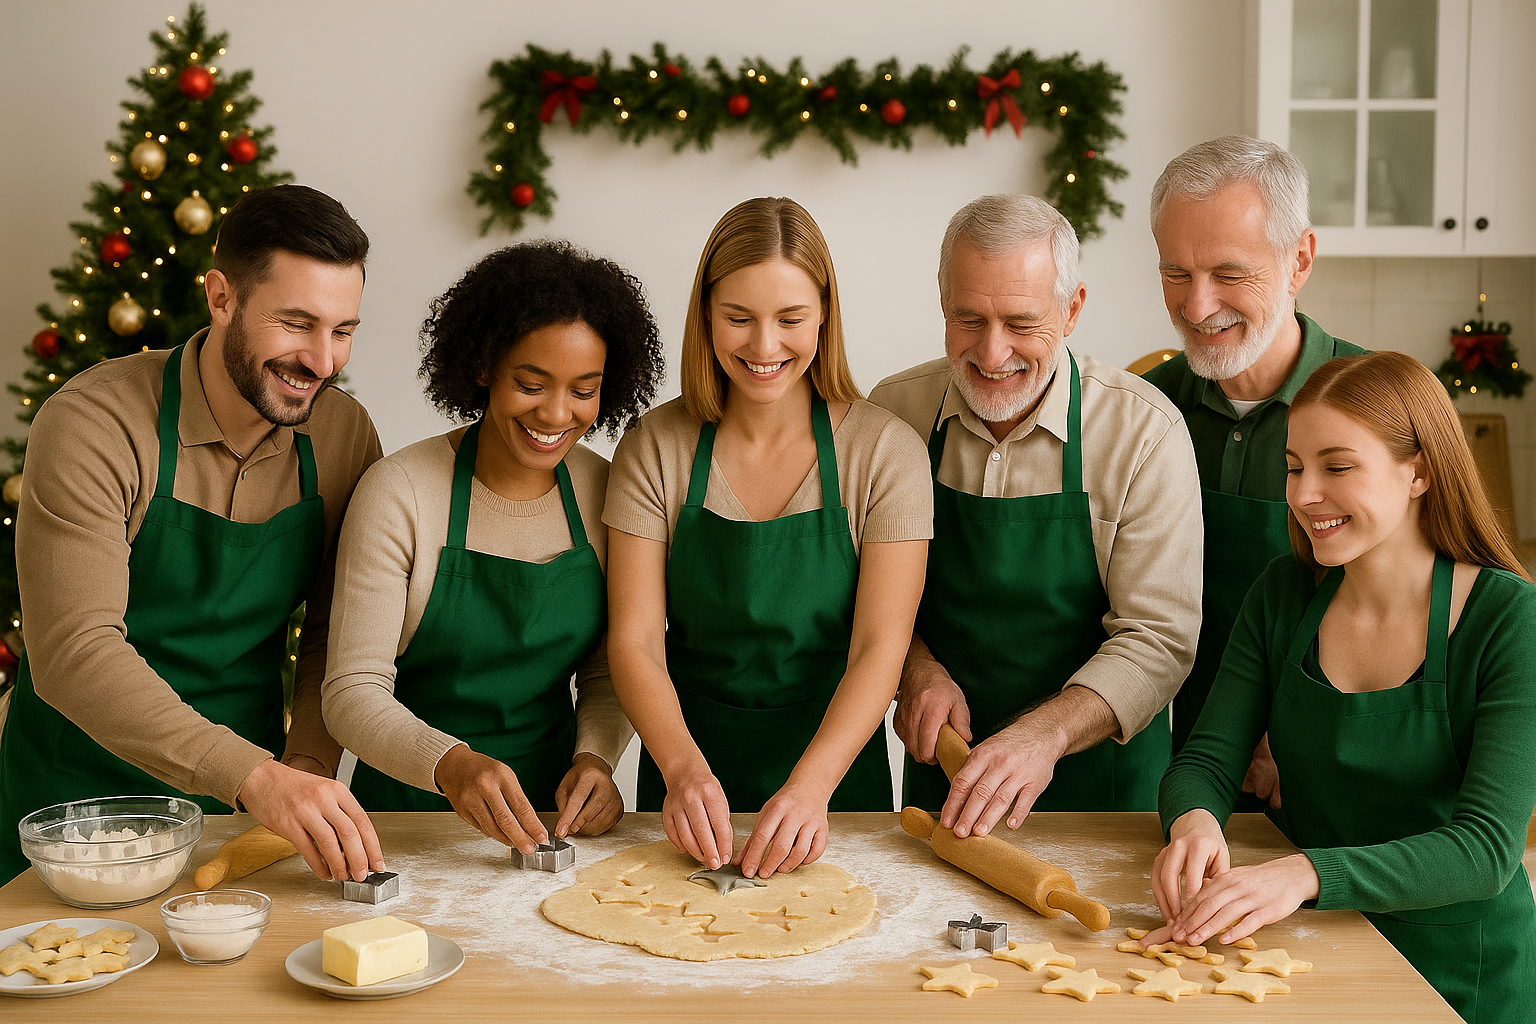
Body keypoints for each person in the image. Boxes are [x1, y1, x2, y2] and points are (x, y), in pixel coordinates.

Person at [0, 185, 386, 884]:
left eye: (344, 330)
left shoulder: (343, 434)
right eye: (296, 324)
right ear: (221, 298)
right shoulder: (95, 423)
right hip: (77, 809)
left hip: (248, 814)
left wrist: (304, 766)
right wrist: (257, 777)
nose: (323, 362)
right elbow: (73, 653)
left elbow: (338, 626)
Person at [1150, 351, 1536, 1023]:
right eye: (1295, 467)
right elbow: (1208, 759)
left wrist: (1303, 874)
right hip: (1308, 951)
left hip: (1460, 975)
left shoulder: (1508, 618)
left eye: (1337, 466)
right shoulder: (1283, 593)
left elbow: (1486, 849)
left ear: (1418, 472)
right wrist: (1195, 824)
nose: (1302, 495)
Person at [605, 197, 932, 879]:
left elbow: (881, 645)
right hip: (687, 775)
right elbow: (633, 639)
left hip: (839, 786)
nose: (763, 347)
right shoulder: (655, 448)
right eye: (738, 318)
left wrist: (812, 789)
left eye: (790, 319)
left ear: (824, 314)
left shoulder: (884, 452)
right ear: (705, 315)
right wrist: (682, 769)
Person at [870, 193, 1202, 838]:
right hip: (944, 779)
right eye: (969, 319)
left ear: (1072, 308)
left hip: (1104, 799)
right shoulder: (896, 414)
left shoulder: (1143, 432)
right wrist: (914, 668)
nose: (993, 355)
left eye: (1022, 324)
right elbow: (869, 592)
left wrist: (1042, 738)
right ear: (942, 303)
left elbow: (1160, 639)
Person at [322, 241, 662, 855]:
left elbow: (612, 669)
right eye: (531, 384)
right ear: (483, 368)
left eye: (583, 391)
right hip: (405, 828)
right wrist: (451, 764)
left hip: (556, 824)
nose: (556, 413)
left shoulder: (606, 491)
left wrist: (597, 759)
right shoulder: (399, 494)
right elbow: (351, 693)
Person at [1143, 137, 1365, 809]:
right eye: (1175, 272)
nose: (1198, 305)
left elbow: (1425, 609)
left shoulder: (1381, 409)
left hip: (1324, 762)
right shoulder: (1146, 412)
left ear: (1299, 260)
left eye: (1228, 274)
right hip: (1172, 766)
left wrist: (1281, 727)